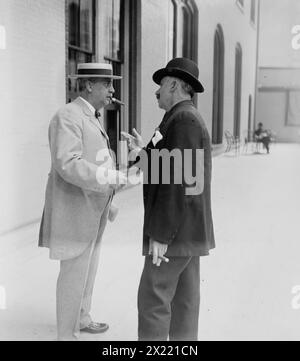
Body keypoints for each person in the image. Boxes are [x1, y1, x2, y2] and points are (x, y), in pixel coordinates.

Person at [123, 58, 215, 341]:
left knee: (153, 298)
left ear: (174, 84)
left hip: (174, 231)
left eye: (161, 85)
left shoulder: (183, 119)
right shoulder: (180, 117)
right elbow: (165, 165)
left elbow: (178, 181)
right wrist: (141, 152)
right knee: (184, 301)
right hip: (188, 231)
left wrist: (161, 234)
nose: (156, 92)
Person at [38, 63, 126, 341]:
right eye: (108, 84)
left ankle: (82, 317)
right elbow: (68, 163)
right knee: (74, 272)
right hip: (75, 210)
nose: (113, 90)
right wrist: (110, 176)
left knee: (89, 268)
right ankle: (66, 334)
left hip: (92, 208)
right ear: (89, 85)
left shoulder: (89, 115)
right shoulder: (67, 116)